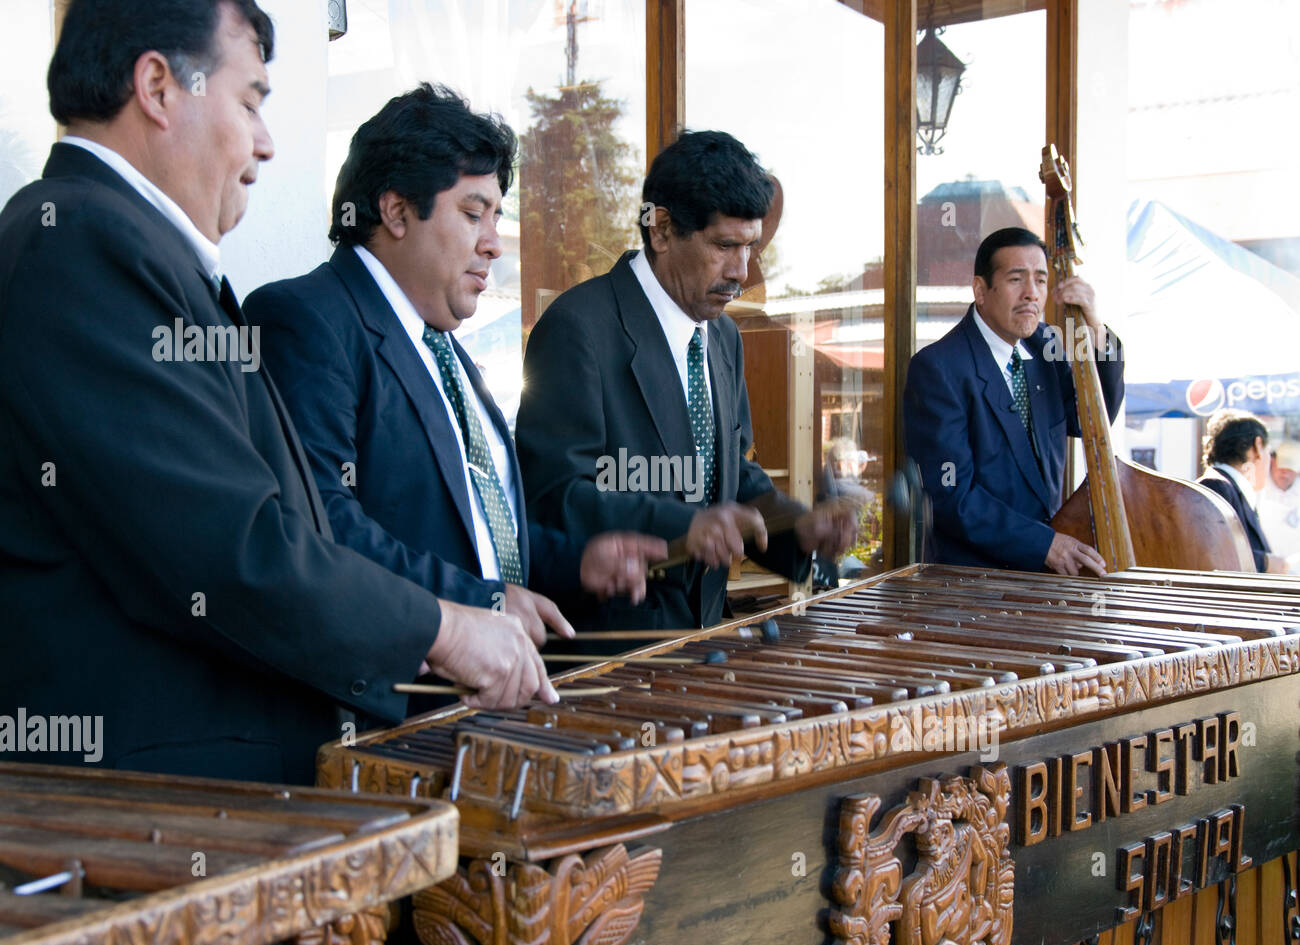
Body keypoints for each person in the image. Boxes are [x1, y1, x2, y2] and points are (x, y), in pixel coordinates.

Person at [0, 0, 553, 785]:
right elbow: (228, 549)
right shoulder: (87, 244)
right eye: (251, 101)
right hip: (153, 806)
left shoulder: (127, 243)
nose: (265, 143)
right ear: (159, 87)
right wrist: (444, 628)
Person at [244, 84, 666, 656]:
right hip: (391, 714)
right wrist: (481, 602)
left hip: (493, 692)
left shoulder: (445, 350)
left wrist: (577, 560)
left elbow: (482, 535)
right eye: (474, 214)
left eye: (496, 217)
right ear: (395, 211)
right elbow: (322, 524)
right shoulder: (304, 319)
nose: (493, 244)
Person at [515, 131, 858, 632]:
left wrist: (796, 527)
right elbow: (554, 497)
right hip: (606, 653)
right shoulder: (577, 328)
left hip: (701, 643)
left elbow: (732, 477)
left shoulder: (722, 336)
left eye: (751, 247)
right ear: (662, 230)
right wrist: (685, 528)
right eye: (724, 246)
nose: (742, 271)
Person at [903, 226, 1125, 576]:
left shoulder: (1046, 344)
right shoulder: (938, 368)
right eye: (1016, 280)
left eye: (1040, 280)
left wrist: (1095, 329)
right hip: (976, 584)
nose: (1032, 294)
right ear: (980, 289)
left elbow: (1091, 420)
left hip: (1046, 575)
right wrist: (1043, 543)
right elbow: (952, 497)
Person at [1196, 410, 1285, 573]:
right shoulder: (1216, 486)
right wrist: (1265, 563)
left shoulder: (1226, 487)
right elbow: (1211, 555)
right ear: (1257, 446)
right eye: (1268, 452)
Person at [1256, 439, 1300, 571]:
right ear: (1272, 462)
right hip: (1265, 566)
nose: (1285, 473)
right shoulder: (1258, 489)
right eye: (1282, 467)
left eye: (1290, 468)